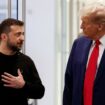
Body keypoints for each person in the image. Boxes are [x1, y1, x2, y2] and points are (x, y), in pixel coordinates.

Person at [63, 3, 105, 105]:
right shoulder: (78, 44)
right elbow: (69, 82)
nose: (81, 26)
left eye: (85, 23)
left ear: (100, 26)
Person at [0, 18, 45, 105]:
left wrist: (23, 85)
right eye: (18, 34)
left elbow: (40, 92)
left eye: (23, 34)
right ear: (4, 37)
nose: (22, 38)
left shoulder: (26, 61)